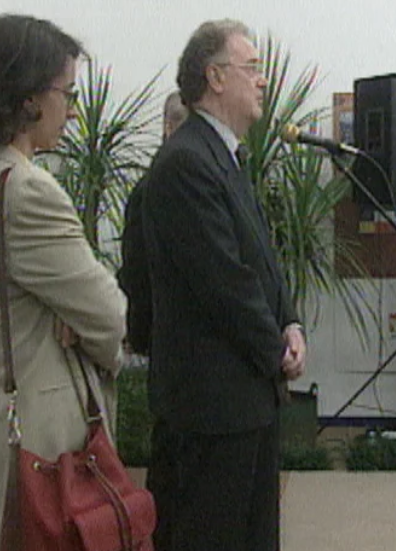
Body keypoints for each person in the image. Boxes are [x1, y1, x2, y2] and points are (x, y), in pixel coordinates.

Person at [0, 15, 125, 551]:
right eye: (65, 92)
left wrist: (73, 312)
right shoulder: (27, 191)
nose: (71, 108)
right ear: (26, 99)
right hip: (44, 443)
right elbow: (111, 315)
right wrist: (82, 320)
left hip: (7, 426)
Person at [142, 19, 306, 551]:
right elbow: (224, 283)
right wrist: (276, 348)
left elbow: (261, 258)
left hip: (245, 397)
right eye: (251, 68)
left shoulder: (227, 156)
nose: (262, 81)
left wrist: (290, 319)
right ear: (215, 76)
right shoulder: (186, 162)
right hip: (211, 407)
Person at [118, 91, 187, 355]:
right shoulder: (150, 190)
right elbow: (136, 267)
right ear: (169, 128)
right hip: (163, 335)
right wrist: (140, 335)